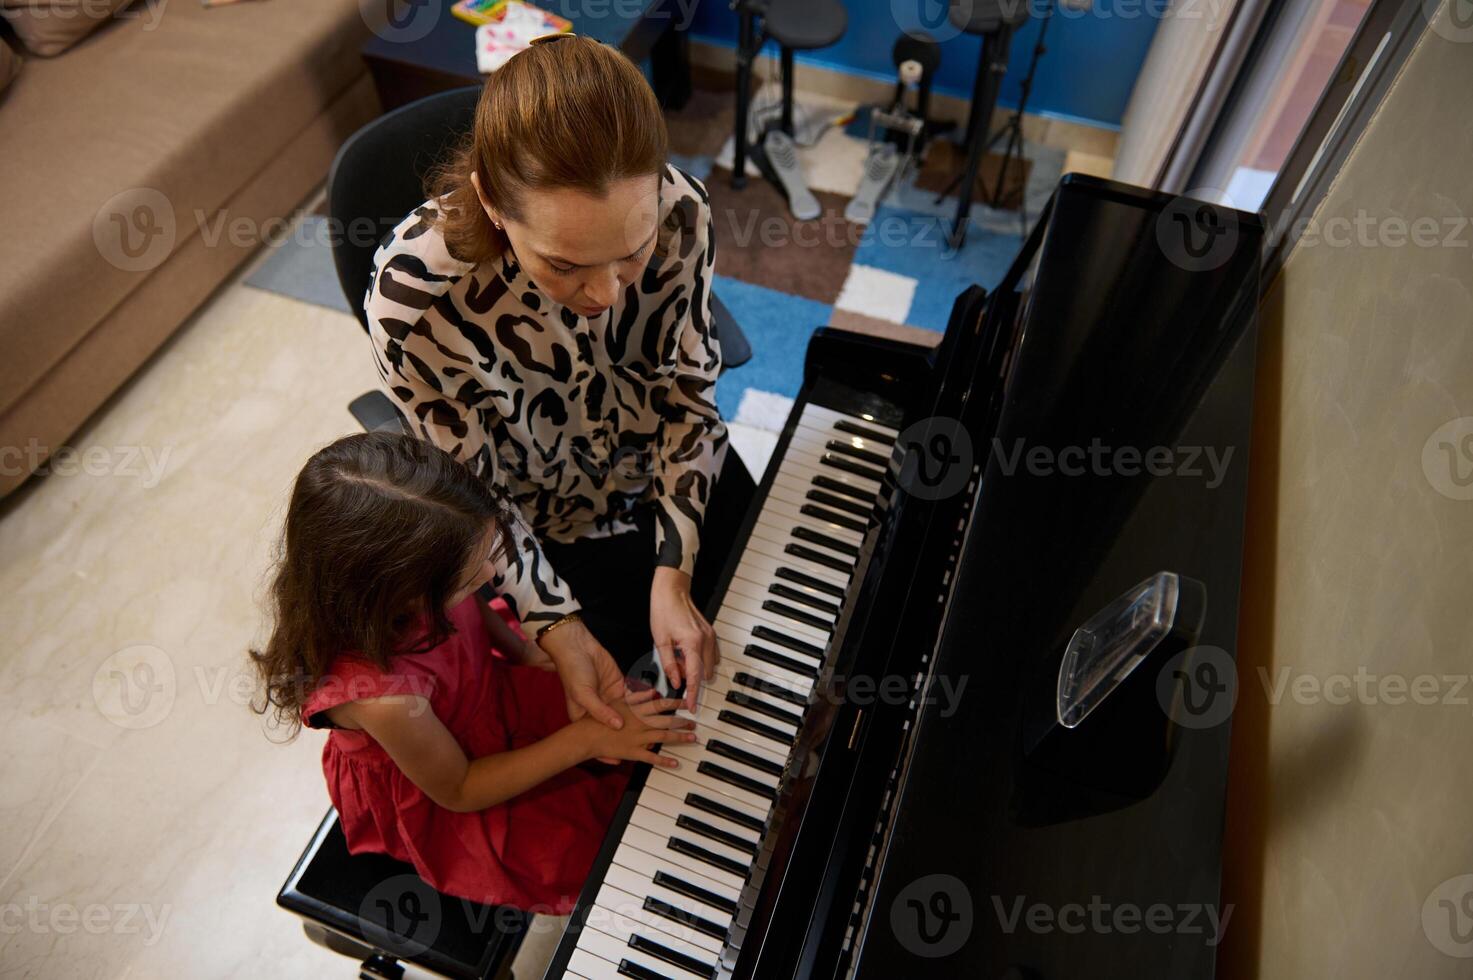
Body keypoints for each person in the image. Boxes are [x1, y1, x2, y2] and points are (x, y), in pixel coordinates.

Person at [365, 34, 753, 721]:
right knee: (642, 721)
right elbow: (473, 495)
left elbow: (689, 402)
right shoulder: (415, 300)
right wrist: (556, 627)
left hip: (665, 474)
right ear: (491, 203)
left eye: (628, 256)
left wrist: (675, 567)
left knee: (777, 620)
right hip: (546, 530)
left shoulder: (681, 211)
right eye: (565, 265)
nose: (604, 294)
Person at [250, 432, 694, 912]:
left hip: (487, 693)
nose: (489, 576)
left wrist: (522, 652)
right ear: (398, 593)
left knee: (631, 722)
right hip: (454, 778)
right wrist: (584, 741)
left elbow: (471, 607)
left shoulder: (418, 587)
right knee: (602, 856)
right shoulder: (380, 697)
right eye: (468, 576)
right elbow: (459, 789)